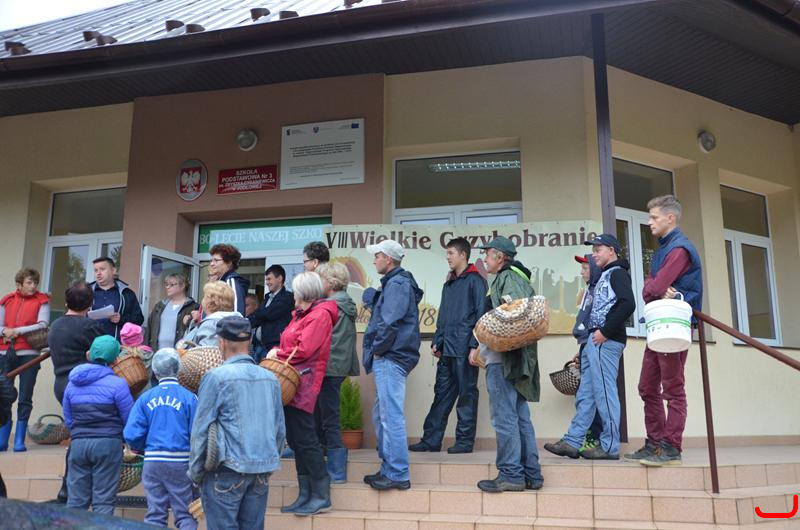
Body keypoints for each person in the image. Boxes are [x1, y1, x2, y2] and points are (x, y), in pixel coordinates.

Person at [627, 195, 702, 467]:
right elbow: (650, 288)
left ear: (670, 218)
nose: (649, 222)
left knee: (672, 387)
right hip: (659, 325)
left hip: (675, 327)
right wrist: (654, 288)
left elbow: (655, 288)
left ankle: (671, 447)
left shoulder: (679, 249)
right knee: (647, 386)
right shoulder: (662, 250)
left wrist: (656, 288)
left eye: (654, 217)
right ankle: (655, 444)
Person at [545, 234, 635, 461]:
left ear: (612, 250)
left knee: (605, 393)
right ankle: (572, 441)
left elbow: (628, 303)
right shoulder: (604, 275)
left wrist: (605, 331)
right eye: (593, 250)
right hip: (595, 341)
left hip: (606, 340)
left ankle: (610, 446)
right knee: (586, 395)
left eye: (598, 249)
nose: (594, 254)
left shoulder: (617, 273)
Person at [189, 316, 284, 530]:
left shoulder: (216, 377)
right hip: (260, 470)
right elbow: (279, 430)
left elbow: (201, 430)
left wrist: (195, 473)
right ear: (249, 342)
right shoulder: (270, 378)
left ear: (221, 343)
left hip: (226, 470)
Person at [471, 236, 543, 492]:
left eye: (487, 254)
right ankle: (531, 474)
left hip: (503, 361)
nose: (484, 259)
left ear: (500, 257)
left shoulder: (508, 278)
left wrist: (489, 346)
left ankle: (511, 474)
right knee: (520, 417)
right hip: (512, 360)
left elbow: (516, 316)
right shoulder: (514, 277)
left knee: (504, 418)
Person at [268, 272, 337, 516]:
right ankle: (305, 494)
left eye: (296, 289)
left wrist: (277, 353)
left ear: (303, 291)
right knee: (297, 440)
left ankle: (321, 495)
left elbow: (305, 349)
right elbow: (292, 343)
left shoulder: (319, 315)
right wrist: (278, 350)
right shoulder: (301, 314)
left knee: (306, 439)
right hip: (293, 381)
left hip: (304, 383)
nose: (293, 292)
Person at [409, 237, 486, 455]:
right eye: (447, 253)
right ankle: (431, 440)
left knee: (467, 395)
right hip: (448, 349)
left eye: (451, 253)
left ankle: (464, 442)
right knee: (441, 395)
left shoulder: (476, 281)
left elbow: (482, 315)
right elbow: (443, 316)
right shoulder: (448, 283)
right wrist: (437, 341)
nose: (448, 257)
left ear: (463, 255)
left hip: (464, 349)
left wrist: (474, 346)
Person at [361, 240, 423, 491]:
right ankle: (389, 468)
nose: (374, 260)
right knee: (382, 414)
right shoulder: (395, 283)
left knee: (390, 416)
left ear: (388, 259)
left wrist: (378, 350)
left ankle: (397, 473)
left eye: (377, 256)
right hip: (391, 355)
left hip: (391, 356)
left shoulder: (397, 284)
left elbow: (389, 322)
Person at [124, 348, 198, 530]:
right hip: (181, 462)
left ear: (155, 372)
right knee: (185, 513)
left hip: (152, 461)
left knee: (155, 514)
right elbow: (198, 434)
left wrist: (143, 447)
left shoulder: (145, 398)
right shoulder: (190, 398)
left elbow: (131, 434)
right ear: (179, 369)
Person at [47, 280, 105, 503]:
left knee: (78, 435)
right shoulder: (89, 327)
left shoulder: (55, 326)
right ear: (90, 304)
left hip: (61, 385)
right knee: (84, 438)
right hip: (84, 388)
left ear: (66, 302)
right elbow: (106, 353)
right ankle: (69, 490)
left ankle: (70, 490)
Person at [62, 335, 134, 515]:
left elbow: (68, 417)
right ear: (115, 360)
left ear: (89, 355)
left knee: (76, 501)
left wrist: (77, 434)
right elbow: (129, 419)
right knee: (103, 501)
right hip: (108, 444)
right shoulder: (118, 385)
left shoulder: (72, 384)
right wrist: (127, 441)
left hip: (79, 444)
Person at [315, 262, 360, 482]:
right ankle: (322, 451)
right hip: (337, 365)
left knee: (329, 416)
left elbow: (324, 339)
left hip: (328, 366)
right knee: (322, 412)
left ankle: (337, 467)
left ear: (330, 282)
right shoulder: (345, 303)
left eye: (321, 279)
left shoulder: (330, 306)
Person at [0, 268, 50, 452]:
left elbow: (43, 324)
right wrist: (4, 331)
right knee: (4, 396)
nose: (33, 286)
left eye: (35, 283)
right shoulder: (6, 300)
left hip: (29, 354)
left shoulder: (42, 300)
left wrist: (16, 331)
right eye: (29, 282)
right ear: (19, 284)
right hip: (5, 353)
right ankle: (3, 440)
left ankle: (19, 440)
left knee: (25, 397)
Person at [571, 254, 603, 450]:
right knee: (585, 393)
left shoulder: (599, 290)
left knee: (595, 392)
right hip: (586, 344)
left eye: (585, 268)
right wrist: (581, 350)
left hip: (595, 344)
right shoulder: (588, 291)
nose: (581, 272)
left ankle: (595, 437)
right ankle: (586, 436)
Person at [247, 265, 294, 363]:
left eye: (269, 279)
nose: (267, 282)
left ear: (279, 278)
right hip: (258, 346)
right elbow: (259, 316)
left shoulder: (287, 297)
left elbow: (268, 314)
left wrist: (258, 314)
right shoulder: (268, 297)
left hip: (273, 347)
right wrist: (245, 322)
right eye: (266, 279)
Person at [89, 257, 144, 339]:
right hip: (90, 344)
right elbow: (76, 317)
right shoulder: (86, 292)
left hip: (118, 345)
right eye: (96, 270)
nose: (98, 273)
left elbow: (139, 319)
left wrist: (121, 319)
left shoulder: (126, 293)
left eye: (102, 269)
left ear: (113, 270)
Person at [144, 273, 198, 352]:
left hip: (180, 353)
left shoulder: (193, 307)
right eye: (166, 284)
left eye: (171, 285)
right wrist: (146, 351)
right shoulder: (159, 306)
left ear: (182, 286)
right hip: (157, 353)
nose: (167, 287)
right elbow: (149, 329)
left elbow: (195, 332)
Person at [182, 281, 241, 348]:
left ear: (210, 303)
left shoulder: (211, 324)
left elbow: (206, 353)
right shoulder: (236, 323)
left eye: (204, 297)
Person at [208, 244, 250, 316]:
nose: (211, 264)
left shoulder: (231, 282)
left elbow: (237, 313)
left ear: (229, 263)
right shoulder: (221, 281)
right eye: (211, 260)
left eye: (216, 260)